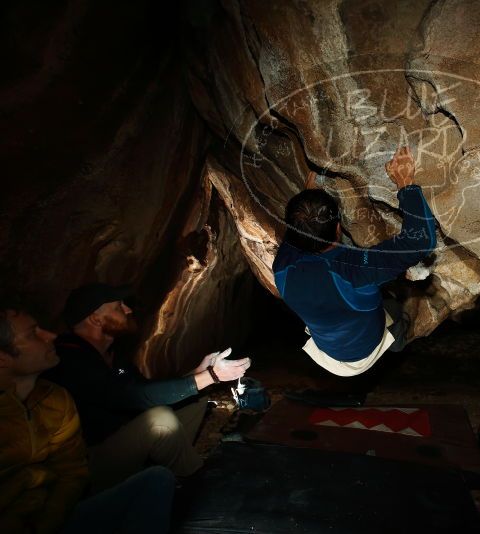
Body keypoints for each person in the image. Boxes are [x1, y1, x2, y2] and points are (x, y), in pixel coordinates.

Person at [46, 283, 251, 491]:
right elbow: (129, 396)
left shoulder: (114, 356)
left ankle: (166, 474)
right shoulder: (69, 358)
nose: (128, 310)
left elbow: (146, 390)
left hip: (125, 442)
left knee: (195, 400)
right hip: (90, 464)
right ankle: (201, 488)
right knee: (160, 420)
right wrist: (212, 376)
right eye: (119, 307)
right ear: (95, 319)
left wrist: (199, 373)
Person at [0, 305, 175, 534]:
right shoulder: (76, 358)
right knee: (161, 419)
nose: (51, 336)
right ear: (2, 359)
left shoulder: (55, 399)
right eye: (33, 333)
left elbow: (72, 471)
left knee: (157, 480)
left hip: (53, 516)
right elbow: (121, 395)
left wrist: (49, 521)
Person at [272, 145, 438, 377]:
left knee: (363, 300)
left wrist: (306, 205)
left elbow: (296, 233)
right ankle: (398, 338)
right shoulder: (354, 270)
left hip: (327, 351)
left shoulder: (282, 267)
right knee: (393, 309)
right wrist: (405, 183)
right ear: (339, 228)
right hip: (363, 353)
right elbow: (422, 240)